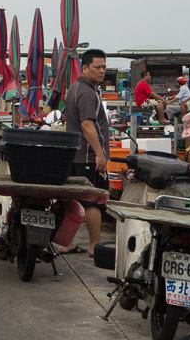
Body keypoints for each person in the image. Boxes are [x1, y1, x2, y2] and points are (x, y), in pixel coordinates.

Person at [60, 49, 109, 256]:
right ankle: (94, 245)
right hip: (87, 155)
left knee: (74, 200)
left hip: (76, 153)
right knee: (92, 201)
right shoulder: (88, 92)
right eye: (97, 67)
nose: (102, 71)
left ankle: (67, 242)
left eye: (104, 67)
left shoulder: (76, 87)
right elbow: (87, 125)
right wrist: (99, 153)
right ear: (85, 68)